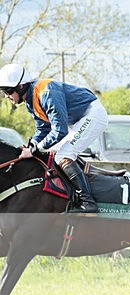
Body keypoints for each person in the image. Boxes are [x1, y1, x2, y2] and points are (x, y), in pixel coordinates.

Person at [0, 63, 108, 215]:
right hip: (78, 121)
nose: (6, 96)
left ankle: (87, 201)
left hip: (92, 115)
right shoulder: (31, 100)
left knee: (64, 155)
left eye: (8, 90)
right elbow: (43, 129)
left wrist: (34, 150)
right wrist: (31, 145)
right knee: (55, 153)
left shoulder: (47, 92)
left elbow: (59, 131)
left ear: (21, 86)